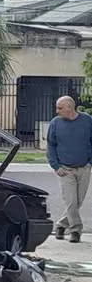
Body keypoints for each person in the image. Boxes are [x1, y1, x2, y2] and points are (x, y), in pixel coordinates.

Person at [46, 95, 92, 243]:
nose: (57, 111)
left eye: (60, 108)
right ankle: (75, 230)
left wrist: (90, 163)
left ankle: (61, 225)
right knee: (71, 202)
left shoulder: (87, 121)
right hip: (65, 169)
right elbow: (50, 145)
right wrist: (56, 166)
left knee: (78, 202)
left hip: (84, 167)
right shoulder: (55, 123)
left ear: (70, 108)